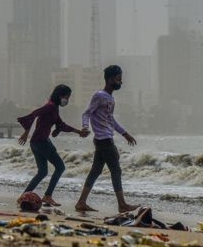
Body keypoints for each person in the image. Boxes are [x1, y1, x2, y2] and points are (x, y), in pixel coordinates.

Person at [75, 65, 139, 213]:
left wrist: (125, 133)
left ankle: (81, 202)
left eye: (121, 79)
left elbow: (111, 120)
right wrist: (85, 127)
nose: (120, 82)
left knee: (95, 171)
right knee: (116, 171)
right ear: (110, 79)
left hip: (104, 139)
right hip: (104, 140)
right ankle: (122, 205)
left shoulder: (110, 98)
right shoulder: (100, 96)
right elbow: (87, 113)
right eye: (118, 79)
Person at [17, 84, 89, 207]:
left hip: (36, 143)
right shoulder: (50, 106)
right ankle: (48, 196)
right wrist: (25, 132)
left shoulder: (54, 107)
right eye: (67, 97)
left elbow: (61, 124)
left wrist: (78, 132)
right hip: (41, 142)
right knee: (60, 167)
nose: (68, 100)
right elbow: (35, 113)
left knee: (42, 172)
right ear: (60, 95)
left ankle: (23, 196)